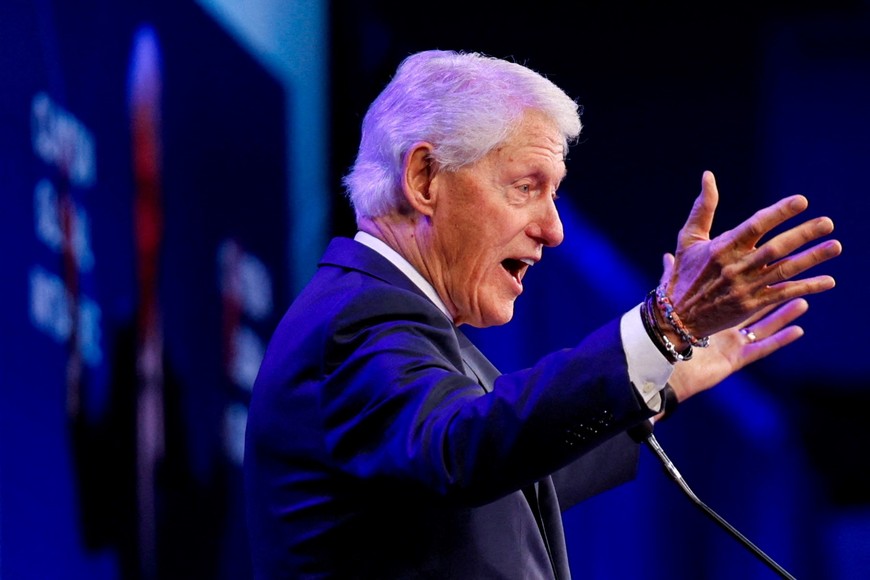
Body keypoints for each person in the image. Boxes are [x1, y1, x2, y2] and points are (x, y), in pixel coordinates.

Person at [243, 49, 842, 579]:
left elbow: (517, 485)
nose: (552, 230)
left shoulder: (410, 331)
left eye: (554, 193)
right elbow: (464, 451)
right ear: (424, 179)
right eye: (526, 187)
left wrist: (664, 376)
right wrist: (662, 326)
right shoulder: (357, 319)